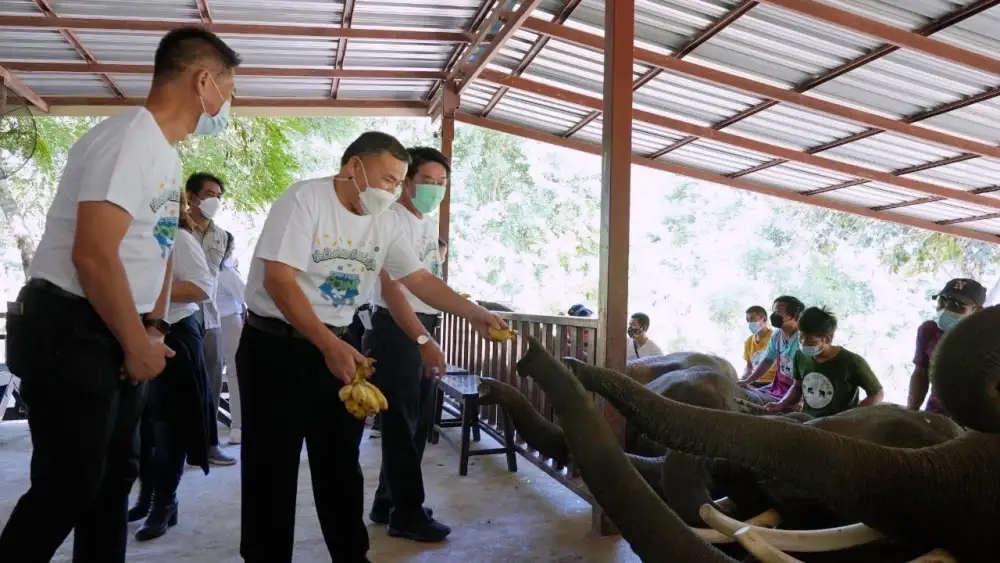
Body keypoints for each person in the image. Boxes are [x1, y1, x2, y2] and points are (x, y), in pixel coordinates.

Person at [0, 26, 239, 562]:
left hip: (117, 327)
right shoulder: (129, 139)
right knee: (68, 486)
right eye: (229, 89)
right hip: (73, 326)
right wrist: (135, 342)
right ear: (203, 81)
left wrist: (152, 328)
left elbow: (159, 251)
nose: (228, 104)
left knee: (113, 480)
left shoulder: (167, 156)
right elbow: (93, 254)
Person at [235, 131, 507, 562]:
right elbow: (279, 281)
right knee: (271, 468)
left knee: (341, 463)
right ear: (353, 167)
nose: (393, 191)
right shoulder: (305, 200)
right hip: (276, 346)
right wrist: (327, 343)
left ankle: (351, 556)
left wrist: (473, 313)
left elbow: (418, 279)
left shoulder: (384, 221)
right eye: (387, 179)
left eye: (398, 182)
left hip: (340, 345)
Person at [366, 146, 452, 542]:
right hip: (398, 327)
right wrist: (422, 339)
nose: (435, 188)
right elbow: (393, 289)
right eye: (426, 181)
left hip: (421, 325)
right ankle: (407, 513)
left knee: (416, 423)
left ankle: (388, 501)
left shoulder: (426, 223)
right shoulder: (390, 219)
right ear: (407, 183)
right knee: (401, 425)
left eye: (441, 182)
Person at [133, 192, 216, 542]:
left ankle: (164, 503)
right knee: (144, 427)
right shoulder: (133, 237)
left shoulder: (179, 238)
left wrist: (147, 290)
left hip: (176, 334)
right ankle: (146, 497)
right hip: (138, 335)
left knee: (169, 426)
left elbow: (200, 287)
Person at [185, 171, 237, 466]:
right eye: (208, 194)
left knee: (212, 386)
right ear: (191, 197)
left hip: (212, 319)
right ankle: (171, 449)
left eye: (218, 196)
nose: (214, 200)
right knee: (180, 385)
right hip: (180, 317)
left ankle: (208, 445)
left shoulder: (223, 237)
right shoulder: (176, 231)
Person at [764, 307, 883, 417]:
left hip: (837, 424)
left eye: (811, 341)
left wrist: (851, 417)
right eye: (801, 337)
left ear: (828, 339)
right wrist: (781, 404)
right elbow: (797, 386)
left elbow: (877, 394)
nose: (804, 343)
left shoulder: (852, 362)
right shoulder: (800, 355)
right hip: (808, 418)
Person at [907, 278, 986, 415]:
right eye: (942, 300)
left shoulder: (987, 342)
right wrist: (911, 412)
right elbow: (921, 372)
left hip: (973, 419)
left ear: (977, 311)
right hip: (935, 413)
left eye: (957, 305)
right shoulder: (929, 331)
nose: (946, 309)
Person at [739, 295, 804, 404]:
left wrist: (798, 400)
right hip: (779, 387)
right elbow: (768, 360)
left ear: (794, 315)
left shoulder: (802, 338)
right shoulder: (777, 335)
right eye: (774, 311)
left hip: (798, 390)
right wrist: (747, 381)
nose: (774, 315)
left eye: (778, 311)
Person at [216, 231, 247, 445]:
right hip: (229, 321)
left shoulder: (210, 270)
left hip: (210, 322)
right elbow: (246, 295)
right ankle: (238, 426)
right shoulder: (226, 273)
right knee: (235, 375)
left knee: (213, 376)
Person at [743, 305, 775, 385]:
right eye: (748, 320)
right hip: (753, 381)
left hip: (772, 382)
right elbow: (749, 366)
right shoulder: (748, 341)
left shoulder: (775, 337)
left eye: (752, 319)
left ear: (764, 319)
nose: (750, 323)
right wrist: (743, 379)